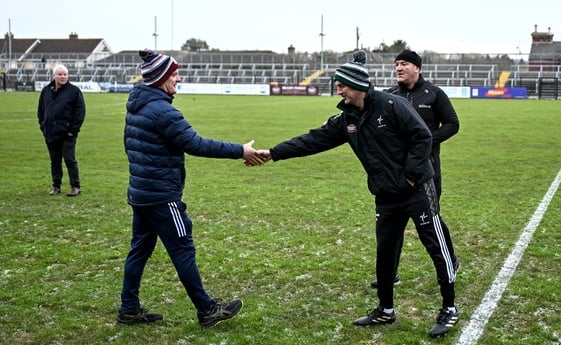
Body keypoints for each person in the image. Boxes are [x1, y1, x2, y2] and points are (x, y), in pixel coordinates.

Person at [252, 51, 459, 338]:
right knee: (385, 252)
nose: (337, 89)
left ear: (356, 85)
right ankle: (385, 309)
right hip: (385, 196)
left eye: (342, 84)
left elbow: (422, 136)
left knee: (435, 246)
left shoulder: (392, 105)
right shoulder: (346, 119)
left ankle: (449, 308)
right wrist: (274, 153)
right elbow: (314, 140)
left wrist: (411, 176)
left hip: (417, 190)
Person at [117, 49, 263, 327]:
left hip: (141, 193)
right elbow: (196, 144)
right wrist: (240, 150)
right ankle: (207, 310)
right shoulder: (162, 111)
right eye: (174, 75)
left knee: (139, 250)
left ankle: (129, 309)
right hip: (162, 197)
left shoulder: (137, 106)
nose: (178, 79)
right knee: (183, 249)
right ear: (161, 78)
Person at [370, 50, 460, 289]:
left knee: (432, 220)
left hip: (426, 171)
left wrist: (427, 139)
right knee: (394, 223)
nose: (399, 68)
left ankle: (451, 261)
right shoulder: (390, 95)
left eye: (404, 64)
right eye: (397, 64)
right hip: (396, 173)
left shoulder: (434, 94)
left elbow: (452, 124)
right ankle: (391, 274)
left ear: (417, 68)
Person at [37, 64, 85, 197]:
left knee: (70, 160)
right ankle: (56, 186)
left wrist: (72, 130)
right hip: (50, 132)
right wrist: (43, 126)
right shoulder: (46, 90)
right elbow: (41, 110)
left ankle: (75, 186)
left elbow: (80, 112)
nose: (63, 77)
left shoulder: (74, 91)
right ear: (54, 76)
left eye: (65, 74)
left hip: (67, 134)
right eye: (60, 74)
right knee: (55, 161)